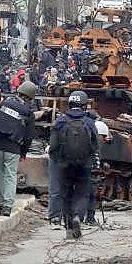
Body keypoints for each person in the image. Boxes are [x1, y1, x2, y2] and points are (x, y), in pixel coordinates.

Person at [48, 91, 99, 239]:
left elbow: (53, 146)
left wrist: (57, 161)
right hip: (84, 165)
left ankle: (69, 227)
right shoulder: (89, 122)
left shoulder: (60, 121)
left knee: (66, 195)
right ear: (85, 106)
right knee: (82, 193)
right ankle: (78, 216)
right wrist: (95, 163)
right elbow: (95, 145)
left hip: (64, 165)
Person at [0, 81, 36, 216]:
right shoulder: (28, 112)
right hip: (13, 147)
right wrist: (23, 152)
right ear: (30, 97)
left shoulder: (4, 103)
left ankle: (1, 203)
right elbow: (29, 135)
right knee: (10, 175)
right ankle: (7, 205)